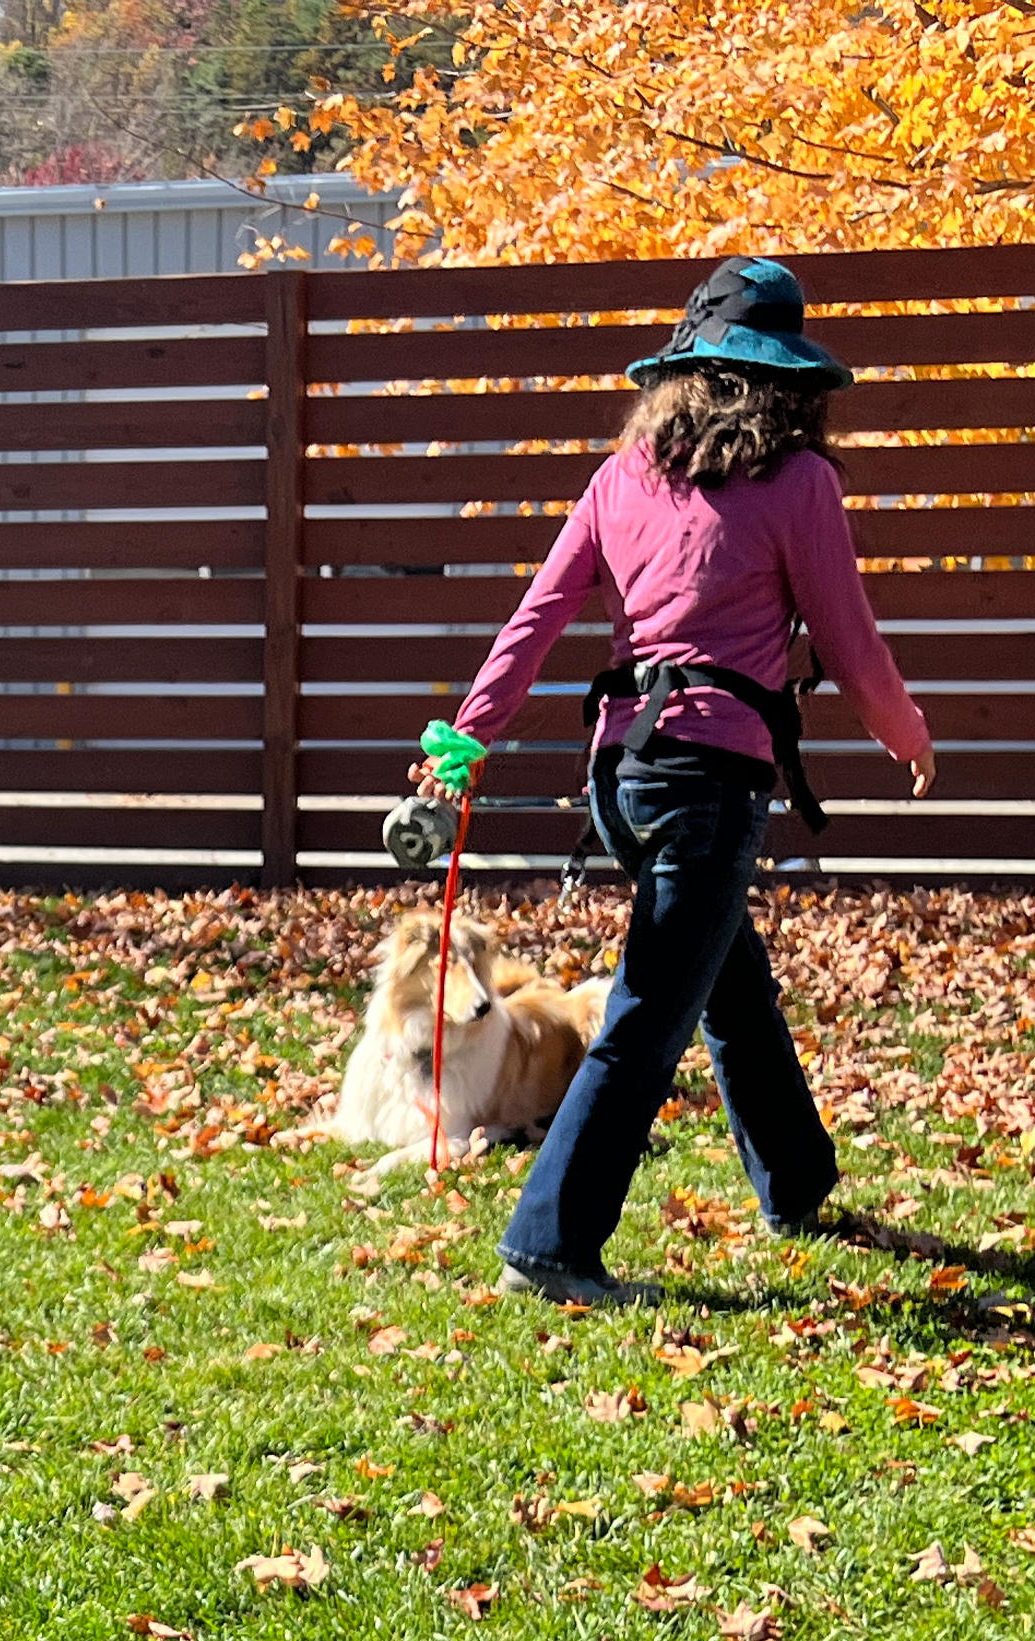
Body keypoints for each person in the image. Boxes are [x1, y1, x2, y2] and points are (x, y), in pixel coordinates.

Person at [439, 258, 936, 1307]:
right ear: (787, 384)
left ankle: (795, 1184)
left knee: (727, 980)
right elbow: (850, 642)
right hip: (708, 784)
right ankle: (548, 1246)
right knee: (646, 1017)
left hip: (620, 781)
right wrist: (907, 734)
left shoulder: (622, 476)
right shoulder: (799, 483)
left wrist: (466, 738)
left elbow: (536, 617)